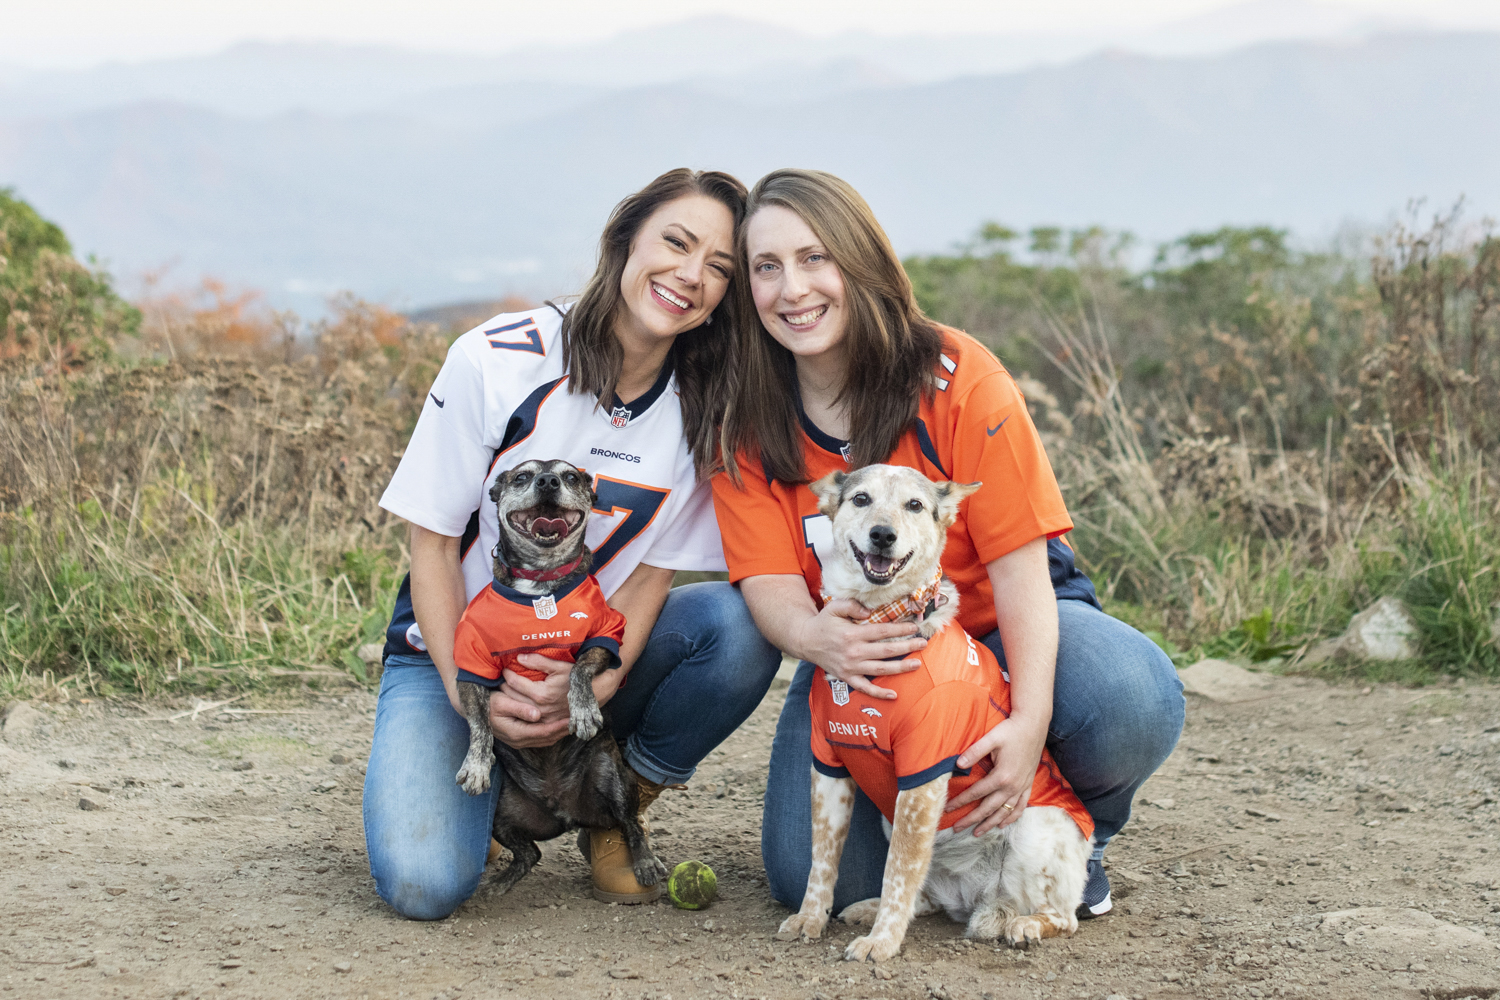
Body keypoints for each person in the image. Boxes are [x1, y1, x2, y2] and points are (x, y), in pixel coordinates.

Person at [711, 169, 1184, 920]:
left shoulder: (958, 375)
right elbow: (767, 579)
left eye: (815, 257)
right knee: (805, 876)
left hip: (997, 622)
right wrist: (813, 637)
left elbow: (1022, 566)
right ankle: (929, 830)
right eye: (766, 267)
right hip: (863, 645)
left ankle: (1066, 844)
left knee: (1130, 692)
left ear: (861, 259)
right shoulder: (746, 421)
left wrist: (1026, 724)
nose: (792, 288)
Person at [364, 168, 782, 919]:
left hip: (584, 660)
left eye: (719, 268)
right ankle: (485, 797)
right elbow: (430, 547)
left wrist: (596, 686)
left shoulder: (707, 411)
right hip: (457, 656)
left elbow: (652, 579)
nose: (690, 276)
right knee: (424, 884)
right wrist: (477, 700)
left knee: (738, 623)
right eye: (675, 243)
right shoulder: (499, 358)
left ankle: (613, 815)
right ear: (626, 238)